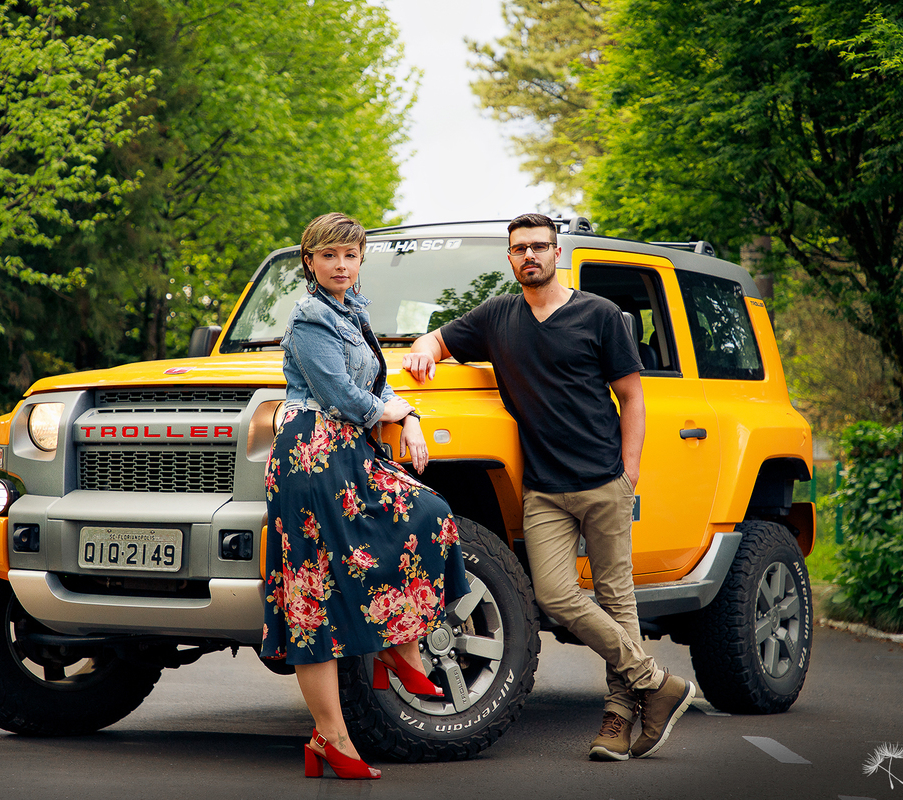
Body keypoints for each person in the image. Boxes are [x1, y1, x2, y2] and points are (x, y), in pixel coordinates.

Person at [403, 213, 695, 762]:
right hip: (543, 489)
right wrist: (424, 347)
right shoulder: (498, 316)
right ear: (510, 259)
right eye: (520, 249)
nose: (529, 255)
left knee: (616, 598)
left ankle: (617, 719)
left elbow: (632, 396)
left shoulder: (600, 314)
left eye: (539, 246)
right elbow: (439, 339)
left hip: (603, 481)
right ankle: (657, 683)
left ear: (556, 253)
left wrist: (629, 473)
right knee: (555, 595)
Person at [261, 212, 470, 780]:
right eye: (329, 256)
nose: (341, 265)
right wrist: (393, 414)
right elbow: (338, 393)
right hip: (312, 454)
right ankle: (332, 738)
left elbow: (377, 384)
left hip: (351, 451)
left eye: (350, 256)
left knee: (428, 514)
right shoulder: (308, 316)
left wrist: (413, 418)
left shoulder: (354, 311)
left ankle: (393, 646)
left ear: (360, 261)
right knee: (312, 594)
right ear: (310, 262)